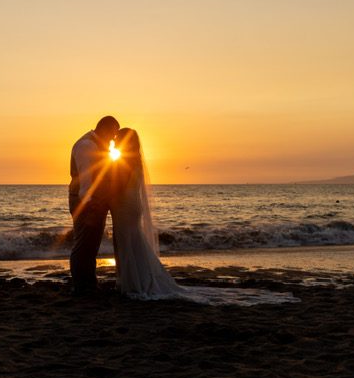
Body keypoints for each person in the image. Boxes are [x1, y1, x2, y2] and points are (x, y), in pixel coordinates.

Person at [110, 128, 300, 305]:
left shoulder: (124, 162)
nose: (115, 142)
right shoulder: (135, 160)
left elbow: (117, 188)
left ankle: (133, 284)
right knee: (134, 242)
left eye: (118, 139)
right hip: (132, 206)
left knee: (128, 243)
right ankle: (135, 281)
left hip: (125, 206)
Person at [68, 116, 120, 295]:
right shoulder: (87, 146)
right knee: (83, 244)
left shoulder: (96, 145)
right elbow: (86, 182)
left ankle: (88, 283)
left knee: (90, 245)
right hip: (86, 203)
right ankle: (82, 287)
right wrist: (90, 206)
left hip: (93, 202)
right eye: (113, 134)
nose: (113, 139)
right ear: (104, 129)